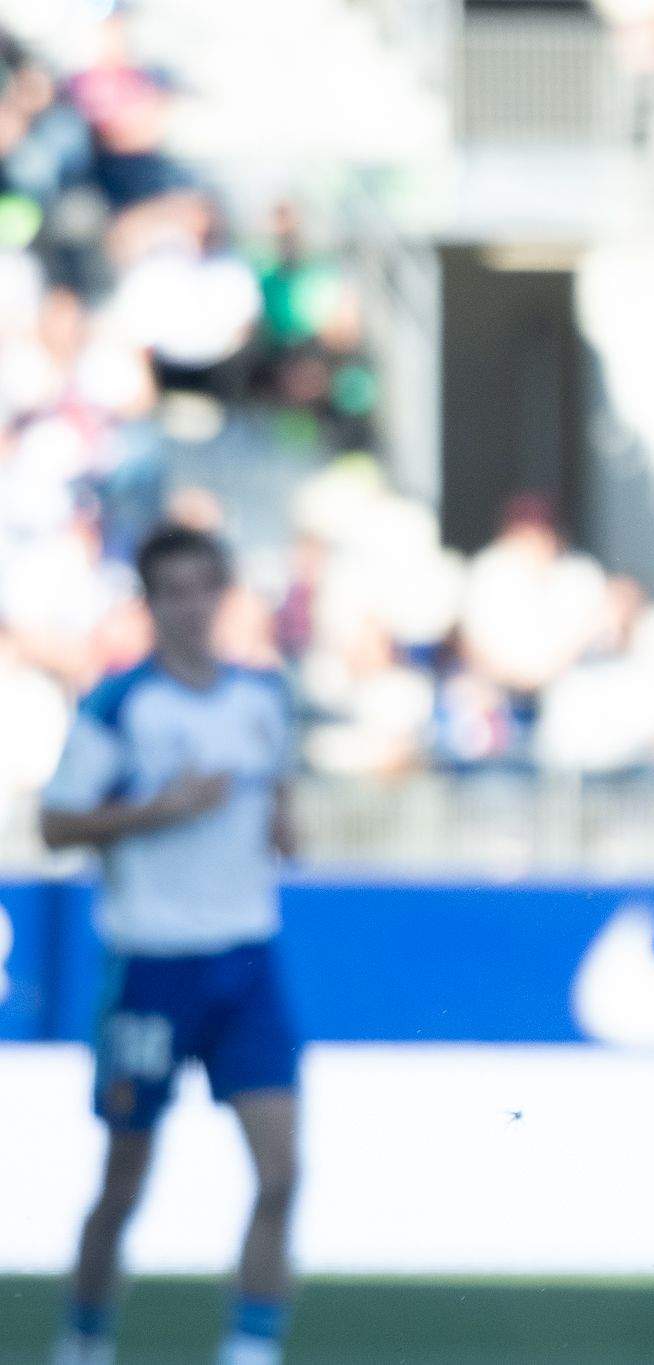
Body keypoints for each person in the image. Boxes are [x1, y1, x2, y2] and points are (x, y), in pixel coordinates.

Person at [41, 526, 300, 1365]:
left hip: (245, 958)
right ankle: (84, 1337)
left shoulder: (262, 697)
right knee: (124, 1182)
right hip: (151, 962)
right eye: (172, 591)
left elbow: (280, 806)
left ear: (221, 595)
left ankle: (249, 1347)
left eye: (202, 588)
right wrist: (156, 810)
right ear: (150, 604)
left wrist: (283, 828)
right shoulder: (120, 706)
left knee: (281, 1170)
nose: (190, 607)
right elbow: (55, 822)